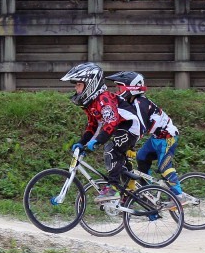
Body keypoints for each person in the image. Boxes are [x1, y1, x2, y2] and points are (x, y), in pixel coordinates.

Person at [61, 63, 141, 203]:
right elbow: (93, 125)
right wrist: (82, 143)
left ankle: (114, 188)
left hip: (130, 126)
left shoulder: (103, 98)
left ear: (90, 84)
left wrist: (98, 141)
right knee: (119, 163)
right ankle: (129, 192)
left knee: (110, 149)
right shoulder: (91, 103)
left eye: (78, 84)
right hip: (120, 127)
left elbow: (112, 122)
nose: (75, 88)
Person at [105, 71, 189, 206]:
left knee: (164, 167)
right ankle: (146, 191)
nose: (117, 91)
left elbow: (140, 128)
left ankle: (179, 196)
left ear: (131, 89)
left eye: (119, 88)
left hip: (168, 137)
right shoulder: (131, 102)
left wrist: (129, 145)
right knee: (141, 158)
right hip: (156, 138)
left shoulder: (140, 103)